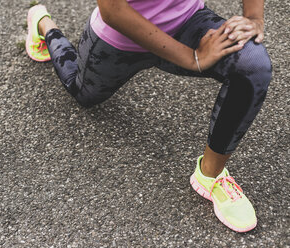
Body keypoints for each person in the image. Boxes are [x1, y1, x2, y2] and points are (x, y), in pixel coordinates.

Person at [25, 0, 272, 232]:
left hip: (187, 23)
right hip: (120, 39)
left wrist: (253, 17)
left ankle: (211, 176)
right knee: (83, 94)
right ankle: (43, 24)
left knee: (253, 65)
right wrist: (192, 57)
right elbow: (113, 10)